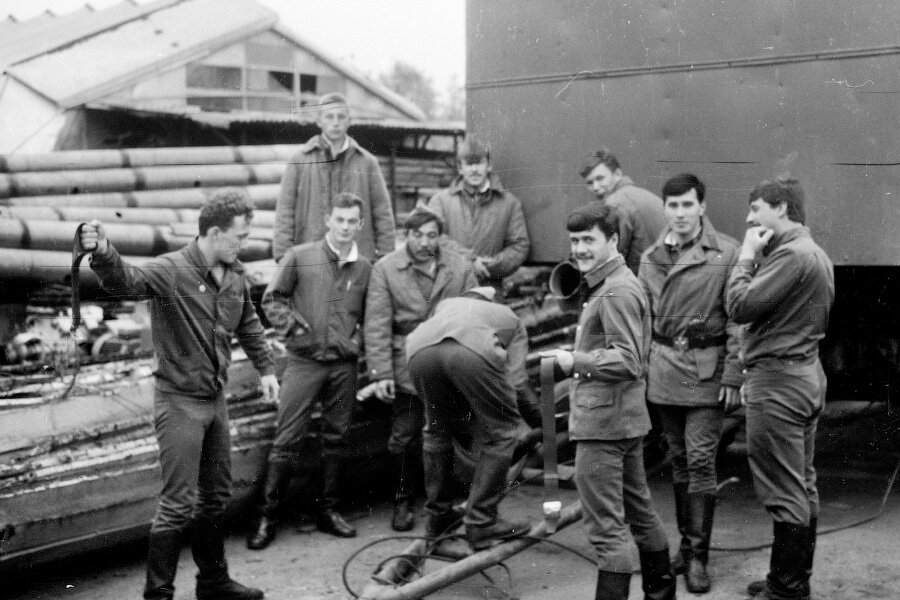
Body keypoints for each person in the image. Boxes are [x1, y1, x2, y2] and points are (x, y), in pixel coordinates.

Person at [81, 189, 279, 600]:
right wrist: (103, 252)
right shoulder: (171, 270)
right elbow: (126, 282)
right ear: (212, 233)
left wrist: (266, 370)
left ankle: (213, 583)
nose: (243, 244)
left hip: (215, 401)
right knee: (177, 503)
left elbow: (248, 323)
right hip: (179, 404)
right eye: (238, 236)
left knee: (216, 496)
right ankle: (159, 595)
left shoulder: (235, 274)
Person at [542, 203, 676, 600]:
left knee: (606, 532)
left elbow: (629, 359)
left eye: (589, 240)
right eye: (575, 241)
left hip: (603, 425)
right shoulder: (615, 282)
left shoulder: (615, 289)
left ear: (613, 240)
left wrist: (574, 360)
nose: (580, 249)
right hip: (623, 420)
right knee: (639, 511)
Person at [726, 177, 834, 600]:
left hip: (779, 382)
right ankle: (790, 580)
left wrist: (746, 256)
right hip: (802, 375)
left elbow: (739, 306)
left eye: (757, 209)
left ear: (782, 210)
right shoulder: (813, 252)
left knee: (785, 489)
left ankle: (787, 590)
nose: (750, 219)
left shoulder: (790, 254)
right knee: (802, 484)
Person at [247, 192, 372, 550]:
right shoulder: (301, 257)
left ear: (359, 225)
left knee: (336, 437)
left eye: (352, 221)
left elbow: (370, 314)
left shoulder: (364, 268)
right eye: (340, 220)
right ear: (328, 221)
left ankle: (328, 510)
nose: (346, 227)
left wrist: (357, 342)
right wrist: (296, 330)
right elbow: (272, 299)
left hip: (343, 365)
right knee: (287, 437)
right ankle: (267, 516)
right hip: (304, 363)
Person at [638, 173, 743, 594]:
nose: (679, 213)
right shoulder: (650, 256)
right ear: (664, 208)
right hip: (664, 368)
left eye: (687, 205)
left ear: (702, 207)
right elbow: (644, 316)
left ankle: (698, 556)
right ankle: (686, 547)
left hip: (706, 371)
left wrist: (735, 370)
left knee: (701, 460)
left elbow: (739, 316)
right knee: (679, 459)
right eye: (672, 205)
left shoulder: (727, 252)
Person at [363, 204, 478, 531]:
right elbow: (377, 324)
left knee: (449, 433)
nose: (425, 242)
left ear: (440, 237)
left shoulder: (459, 267)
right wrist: (381, 372)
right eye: (417, 235)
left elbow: (477, 313)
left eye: (431, 235)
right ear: (405, 235)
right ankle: (403, 500)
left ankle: (445, 502)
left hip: (449, 363)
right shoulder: (385, 269)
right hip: (407, 365)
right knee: (404, 436)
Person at [406, 289, 533, 550]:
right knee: (503, 432)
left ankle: (437, 517)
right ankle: (481, 521)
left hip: (417, 350)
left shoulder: (445, 305)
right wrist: (541, 421)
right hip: (470, 352)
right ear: (491, 301)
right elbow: (518, 383)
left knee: (437, 429)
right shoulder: (508, 317)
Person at [273, 92, 395, 263]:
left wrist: (385, 256)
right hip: (310, 256)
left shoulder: (367, 162)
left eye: (341, 117)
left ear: (349, 121)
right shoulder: (299, 161)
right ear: (319, 121)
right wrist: (282, 256)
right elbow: (285, 211)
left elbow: (382, 212)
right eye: (329, 117)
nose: (335, 123)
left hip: (356, 258)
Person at [427, 135, 530, 286]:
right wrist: (470, 261)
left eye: (479, 163)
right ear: (460, 168)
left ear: (489, 165)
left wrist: (491, 266)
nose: (474, 170)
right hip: (449, 286)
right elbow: (434, 238)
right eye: (469, 164)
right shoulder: (440, 201)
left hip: (490, 287)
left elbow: (519, 246)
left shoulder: (509, 203)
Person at [579, 148, 666, 275]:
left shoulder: (614, 204)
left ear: (617, 174)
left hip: (641, 281)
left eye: (600, 178)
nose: (596, 187)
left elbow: (612, 257)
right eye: (590, 182)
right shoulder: (643, 195)